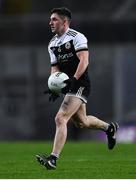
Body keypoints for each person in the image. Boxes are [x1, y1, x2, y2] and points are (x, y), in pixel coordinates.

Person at [36, 7, 119, 170]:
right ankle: (109, 128)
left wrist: (73, 80)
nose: (50, 22)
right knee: (82, 122)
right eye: (50, 19)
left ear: (65, 21)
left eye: (54, 19)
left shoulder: (76, 37)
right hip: (68, 85)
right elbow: (55, 68)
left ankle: (53, 159)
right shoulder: (52, 43)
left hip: (80, 83)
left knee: (60, 118)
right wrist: (54, 87)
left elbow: (84, 61)